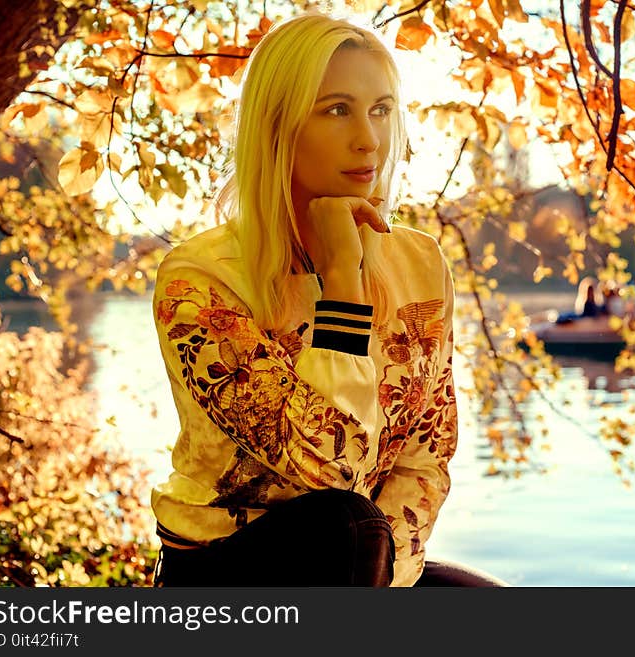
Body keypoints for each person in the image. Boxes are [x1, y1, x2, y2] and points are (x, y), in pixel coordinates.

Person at [149, 12, 506, 588]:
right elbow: (327, 471)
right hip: (229, 564)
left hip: (368, 559)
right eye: (337, 109)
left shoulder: (419, 262)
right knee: (343, 522)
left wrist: (392, 580)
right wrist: (343, 280)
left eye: (382, 110)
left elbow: (425, 457)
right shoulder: (199, 280)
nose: (369, 138)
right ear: (278, 126)